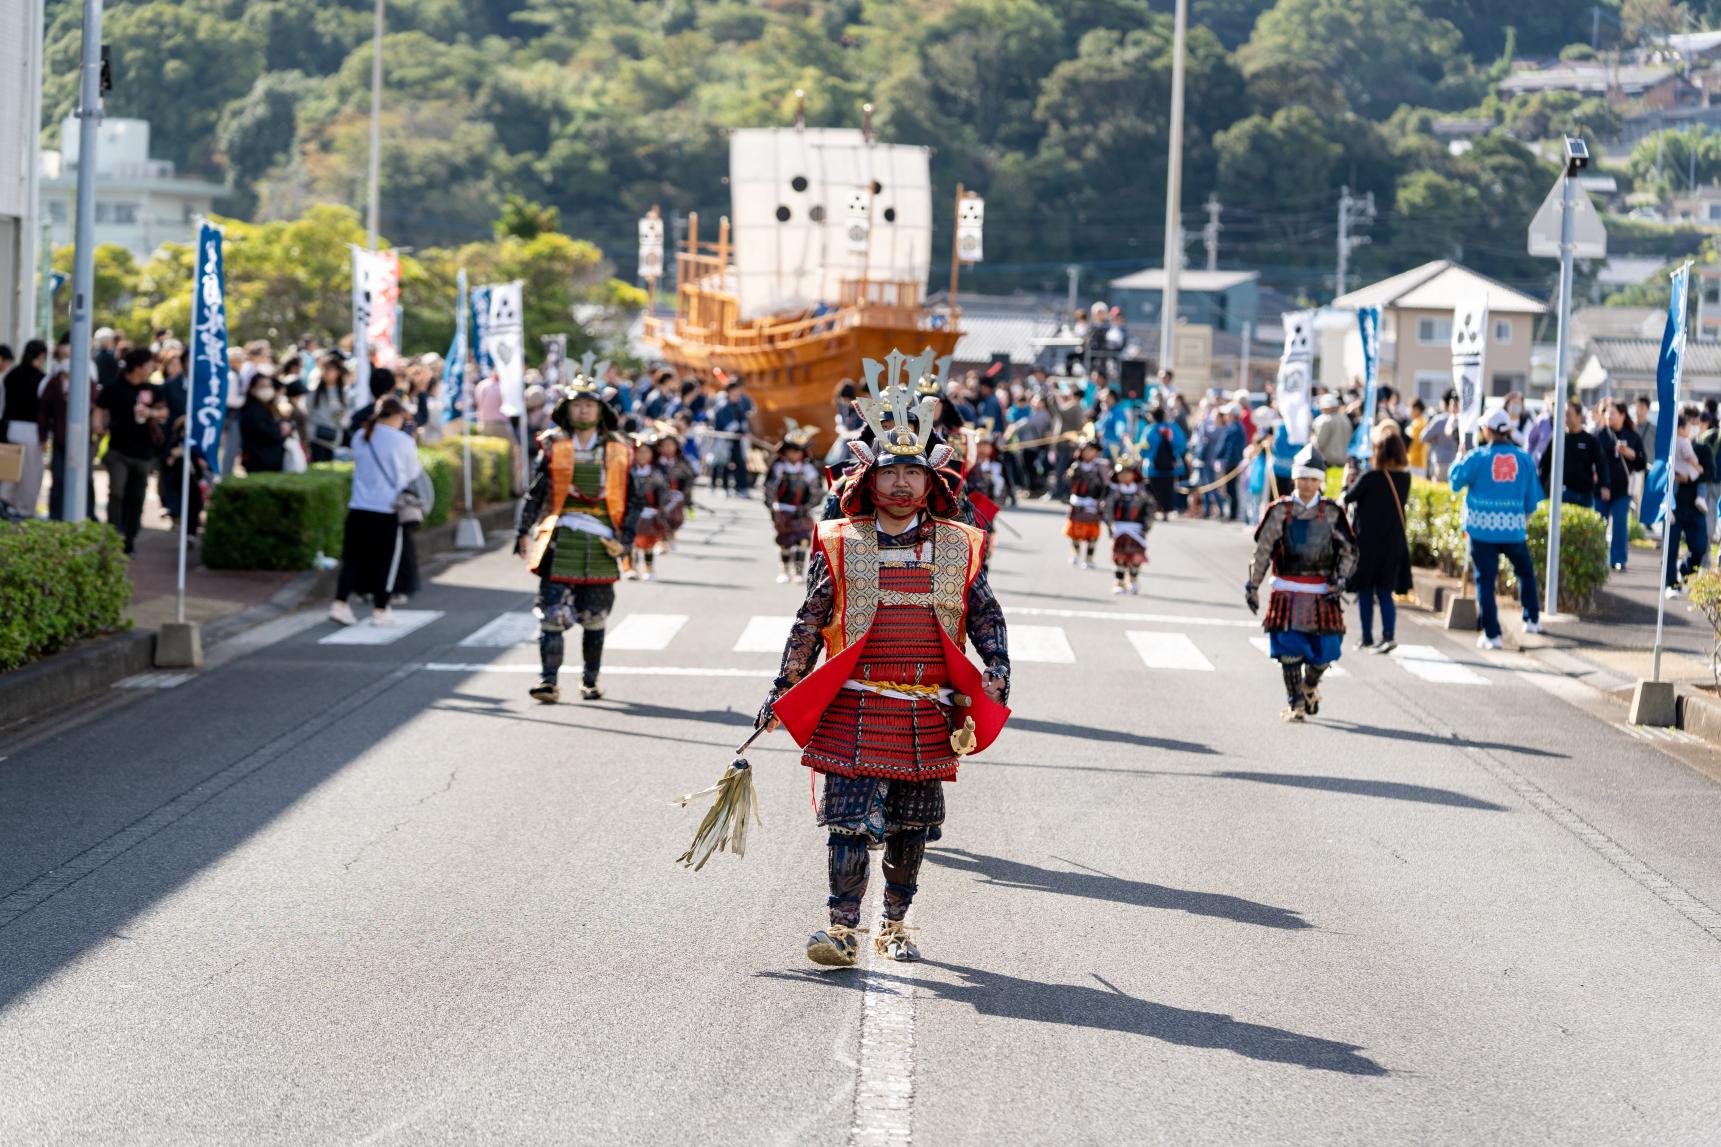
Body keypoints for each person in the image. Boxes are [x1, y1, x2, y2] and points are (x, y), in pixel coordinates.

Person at [755, 360, 1010, 967]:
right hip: (853, 701)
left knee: (908, 829)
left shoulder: (957, 545)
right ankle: (841, 929)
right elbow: (810, 620)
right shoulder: (840, 540)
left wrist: (997, 673)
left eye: (912, 474)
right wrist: (781, 689)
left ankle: (895, 924)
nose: (900, 484)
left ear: (932, 484)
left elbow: (986, 616)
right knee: (846, 825)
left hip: (927, 711)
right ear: (868, 480)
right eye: (890, 471)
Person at [515, 375, 640, 703]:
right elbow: (537, 490)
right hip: (560, 538)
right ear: (566, 409)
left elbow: (632, 497)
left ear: (600, 410)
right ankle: (548, 680)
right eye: (577, 405)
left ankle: (590, 680)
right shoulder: (554, 445)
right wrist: (521, 530)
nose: (583, 411)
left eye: (589, 405)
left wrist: (626, 540)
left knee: (595, 616)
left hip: (601, 541)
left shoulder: (618, 448)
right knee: (550, 614)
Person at [1246, 445, 1358, 722]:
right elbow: (1263, 550)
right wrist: (1253, 585)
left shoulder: (1332, 513)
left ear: (1320, 481)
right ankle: (1295, 702)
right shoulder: (1280, 511)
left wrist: (1341, 578)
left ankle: (1310, 686)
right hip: (1287, 590)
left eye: (1312, 479)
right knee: (1288, 650)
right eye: (1302, 478)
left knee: (1326, 650)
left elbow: (1349, 551)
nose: (1307, 485)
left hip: (1323, 591)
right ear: (1294, 479)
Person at [329, 397, 430, 627]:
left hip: (358, 507)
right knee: (386, 561)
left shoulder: (360, 436)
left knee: (352, 559)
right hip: (388, 510)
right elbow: (412, 473)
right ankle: (381, 609)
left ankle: (340, 604)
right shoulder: (402, 441)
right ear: (397, 416)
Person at [1451, 407, 1544, 650]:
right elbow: (1532, 502)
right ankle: (1532, 618)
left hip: (1481, 530)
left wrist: (1460, 456)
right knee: (1524, 571)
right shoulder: (1523, 458)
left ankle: (1493, 635)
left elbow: (1455, 481)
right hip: (1513, 529)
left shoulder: (1478, 457)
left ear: (1487, 430)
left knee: (1485, 581)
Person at [1344, 425, 1412, 653]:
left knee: (1365, 590)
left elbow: (1348, 497)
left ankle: (1366, 637)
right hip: (1393, 542)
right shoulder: (1405, 478)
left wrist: (1347, 480)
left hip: (1368, 542)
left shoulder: (1371, 477)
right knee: (1385, 591)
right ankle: (1388, 635)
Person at [99, 348, 168, 554]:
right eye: (148, 365)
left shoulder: (153, 389)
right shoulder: (114, 388)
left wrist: (151, 412)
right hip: (118, 451)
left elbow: (164, 412)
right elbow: (100, 409)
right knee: (117, 492)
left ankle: (130, 539)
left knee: (137, 497)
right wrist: (98, 428)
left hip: (144, 454)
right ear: (137, 367)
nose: (151, 369)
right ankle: (112, 533)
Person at [765, 426, 824, 583]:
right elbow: (769, 488)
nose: (794, 454)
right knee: (784, 541)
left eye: (797, 451)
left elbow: (817, 491)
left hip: (802, 510)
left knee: (803, 540)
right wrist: (772, 507)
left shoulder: (808, 468)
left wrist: (808, 506)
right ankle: (784, 570)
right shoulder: (779, 467)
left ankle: (798, 572)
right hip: (783, 509)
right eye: (791, 450)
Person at [1663, 408, 1712, 596]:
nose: (1692, 426)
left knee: (1700, 546)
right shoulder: (1671, 444)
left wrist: (1690, 478)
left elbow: (1709, 473)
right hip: (1675, 505)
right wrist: (1675, 476)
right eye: (1688, 422)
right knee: (1671, 546)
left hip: (1695, 507)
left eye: (1695, 422)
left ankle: (1686, 570)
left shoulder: (1702, 448)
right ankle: (1670, 583)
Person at [1595, 400, 1645, 571]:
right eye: (1607, 414)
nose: (1609, 417)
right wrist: (1601, 484)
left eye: (1613, 413)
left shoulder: (1632, 436)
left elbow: (1642, 463)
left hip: (1623, 489)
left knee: (1620, 524)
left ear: (1623, 415)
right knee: (1598, 524)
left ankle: (1618, 559)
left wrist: (1630, 454)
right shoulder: (1600, 435)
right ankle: (1599, 558)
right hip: (1600, 489)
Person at [0, 338, 49, 515]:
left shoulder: (10, 375)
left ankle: (4, 502)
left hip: (10, 429)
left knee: (9, 471)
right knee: (31, 474)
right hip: (32, 432)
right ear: (41, 356)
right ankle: (24, 509)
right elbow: (44, 410)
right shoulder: (42, 379)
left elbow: (4, 405)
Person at [1103, 445, 1155, 596]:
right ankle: (1118, 581)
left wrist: (1146, 525)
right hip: (1119, 528)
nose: (1124, 477)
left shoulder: (1141, 492)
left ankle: (1132, 579)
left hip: (1137, 529)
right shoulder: (1114, 492)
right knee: (1119, 557)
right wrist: (1111, 524)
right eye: (1121, 474)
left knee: (1136, 557)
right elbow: (1107, 509)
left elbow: (1151, 508)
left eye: (1128, 473)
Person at [1538, 400, 1603, 511]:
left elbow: (1601, 463)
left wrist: (1604, 485)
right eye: (1564, 415)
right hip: (1563, 493)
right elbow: (1545, 465)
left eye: (1568, 415)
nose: (1566, 418)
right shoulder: (1557, 439)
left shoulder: (1590, 440)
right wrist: (1539, 488)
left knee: (1585, 527)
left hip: (1585, 494)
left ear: (1578, 416)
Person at [626, 432, 671, 581]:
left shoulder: (657, 474)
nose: (643, 455)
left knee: (648, 543)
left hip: (651, 512)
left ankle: (648, 568)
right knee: (629, 541)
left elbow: (664, 492)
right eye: (640, 452)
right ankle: (630, 567)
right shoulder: (628, 472)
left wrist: (659, 507)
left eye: (646, 452)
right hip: (631, 511)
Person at [1063, 429, 1108, 568]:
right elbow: (1067, 481)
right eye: (1086, 450)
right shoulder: (1076, 466)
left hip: (1093, 503)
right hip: (1077, 502)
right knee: (1075, 532)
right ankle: (1075, 552)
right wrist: (1072, 473)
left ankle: (1089, 557)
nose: (1088, 453)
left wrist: (1103, 500)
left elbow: (1106, 485)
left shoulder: (1100, 467)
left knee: (1092, 534)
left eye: (1091, 450)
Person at [238, 370, 291, 473]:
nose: (267, 389)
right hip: (259, 461)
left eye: (269, 386)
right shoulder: (252, 410)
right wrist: (280, 431)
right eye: (262, 386)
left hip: (270, 459)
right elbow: (264, 431)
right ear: (252, 389)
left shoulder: (269, 407)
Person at [712, 376, 756, 496]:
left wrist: (746, 431)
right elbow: (727, 424)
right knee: (724, 463)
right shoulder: (723, 406)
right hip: (725, 439)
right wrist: (739, 429)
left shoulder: (739, 406)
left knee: (740, 463)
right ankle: (724, 486)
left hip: (737, 440)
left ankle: (741, 487)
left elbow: (744, 421)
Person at [1143, 404, 1187, 517]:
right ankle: (1167, 510)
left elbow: (1144, 448)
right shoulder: (1173, 428)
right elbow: (1182, 444)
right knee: (1168, 488)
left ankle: (1157, 509)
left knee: (1155, 490)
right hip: (1171, 466)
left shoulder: (1150, 430)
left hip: (1153, 466)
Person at [1419, 390, 1461, 482]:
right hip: (1457, 463)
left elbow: (1423, 437)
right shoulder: (1465, 421)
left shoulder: (1439, 420)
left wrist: (1433, 439)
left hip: (1440, 463)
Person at [1311, 394, 1353, 475]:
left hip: (1327, 462)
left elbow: (1319, 443)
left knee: (1327, 486)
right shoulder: (1345, 419)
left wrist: (1312, 438)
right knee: (1337, 486)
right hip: (1342, 461)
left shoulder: (1324, 420)